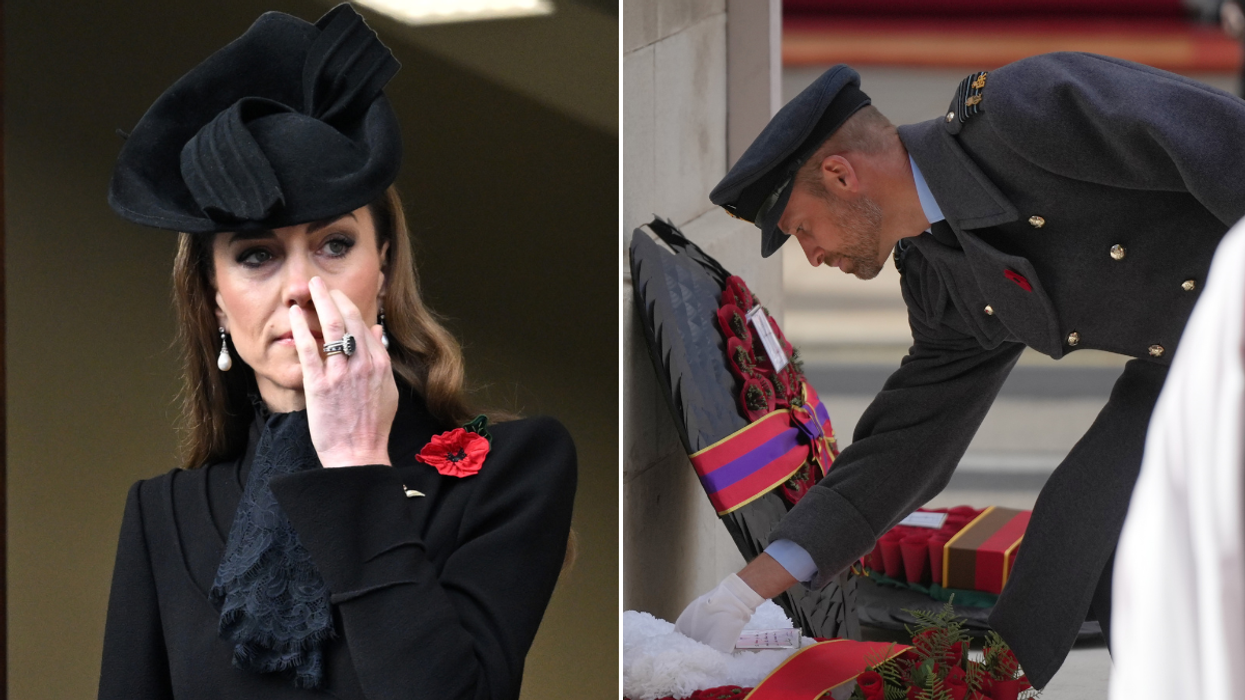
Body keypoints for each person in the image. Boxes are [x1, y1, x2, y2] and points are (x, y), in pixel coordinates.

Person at [674, 54, 1245, 689]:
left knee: (1104, 530)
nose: (812, 256)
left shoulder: (1022, 113)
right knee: (1082, 536)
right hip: (1197, 360)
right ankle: (995, 682)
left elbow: (1223, 142)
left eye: (802, 229)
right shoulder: (938, 273)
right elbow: (910, 441)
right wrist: (745, 591)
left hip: (1228, 340)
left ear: (840, 175)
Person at [97, 6, 576, 698]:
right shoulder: (161, 514)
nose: (299, 286)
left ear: (382, 268)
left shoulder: (510, 468)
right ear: (212, 299)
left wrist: (355, 460)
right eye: (257, 255)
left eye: (333, 245)